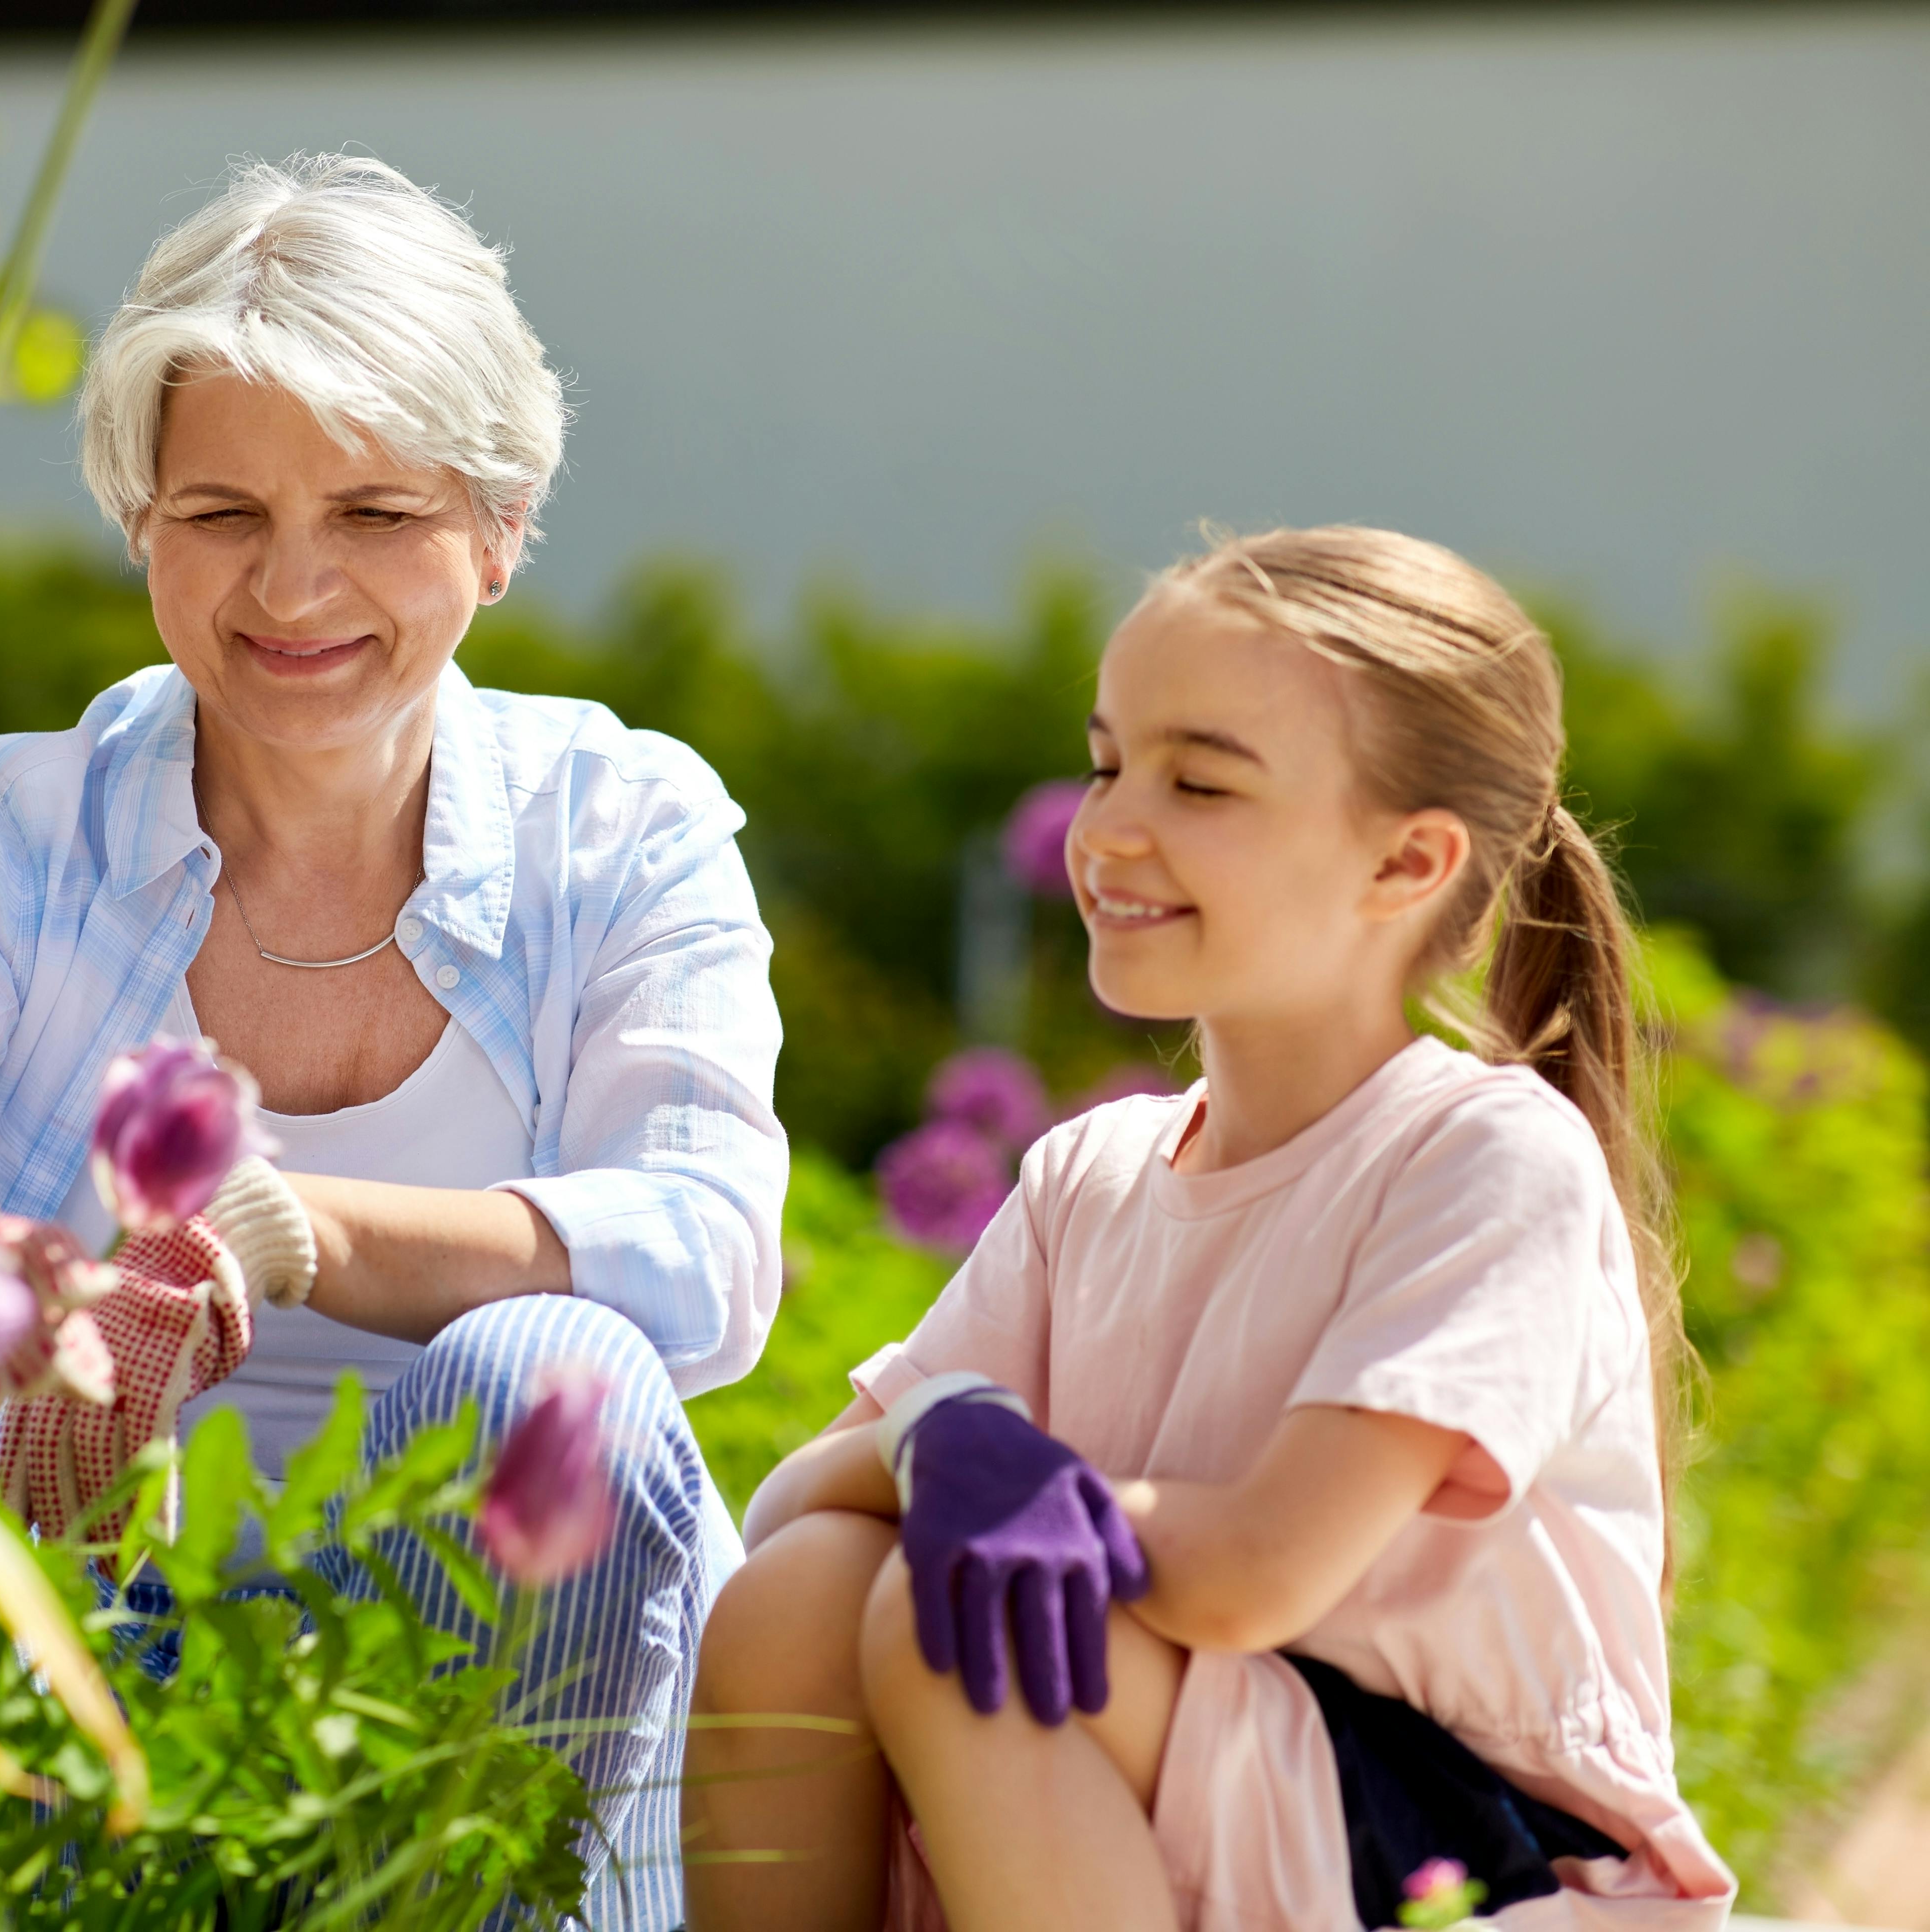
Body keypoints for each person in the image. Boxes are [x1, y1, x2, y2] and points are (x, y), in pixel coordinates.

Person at [0, 152, 786, 1929]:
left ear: (497, 534)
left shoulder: (623, 826)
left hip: (499, 1696)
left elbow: (706, 1256)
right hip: (86, 1603)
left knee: (555, 1372)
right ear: (141, 527)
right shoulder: (10, 825)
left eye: (374, 512)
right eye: (221, 514)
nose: (290, 586)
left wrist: (303, 1229)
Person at [682, 527, 1735, 1930]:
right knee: (808, 1591)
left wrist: (1015, 1490)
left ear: (1409, 863)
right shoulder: (1092, 1174)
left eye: (1201, 783)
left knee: (966, 1628)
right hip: (1204, 1778)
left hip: (1462, 1847)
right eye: (1110, 763)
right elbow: (796, 1506)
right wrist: (943, 1432)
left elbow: (1256, 1572)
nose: (1110, 829)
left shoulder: (1484, 1158)